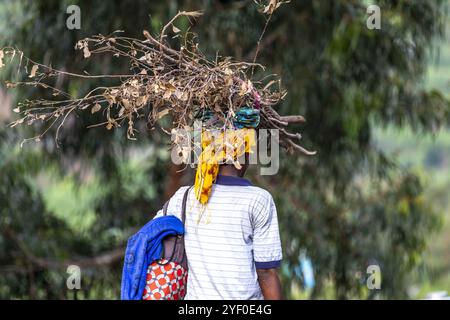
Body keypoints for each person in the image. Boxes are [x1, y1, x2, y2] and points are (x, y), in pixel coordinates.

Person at [156, 117, 283, 300]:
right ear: (245, 153)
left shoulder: (183, 197)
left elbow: (153, 234)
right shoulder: (258, 200)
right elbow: (266, 272)